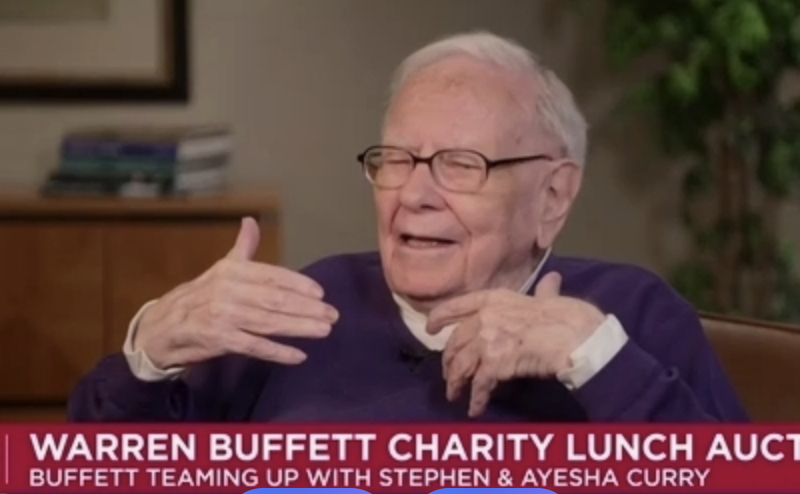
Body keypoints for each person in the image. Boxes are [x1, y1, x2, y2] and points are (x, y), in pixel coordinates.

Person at [68, 31, 748, 423]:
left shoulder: (631, 318)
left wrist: (596, 361)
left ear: (553, 196)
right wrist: (147, 356)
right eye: (397, 159)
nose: (415, 195)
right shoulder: (296, 313)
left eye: (461, 164)